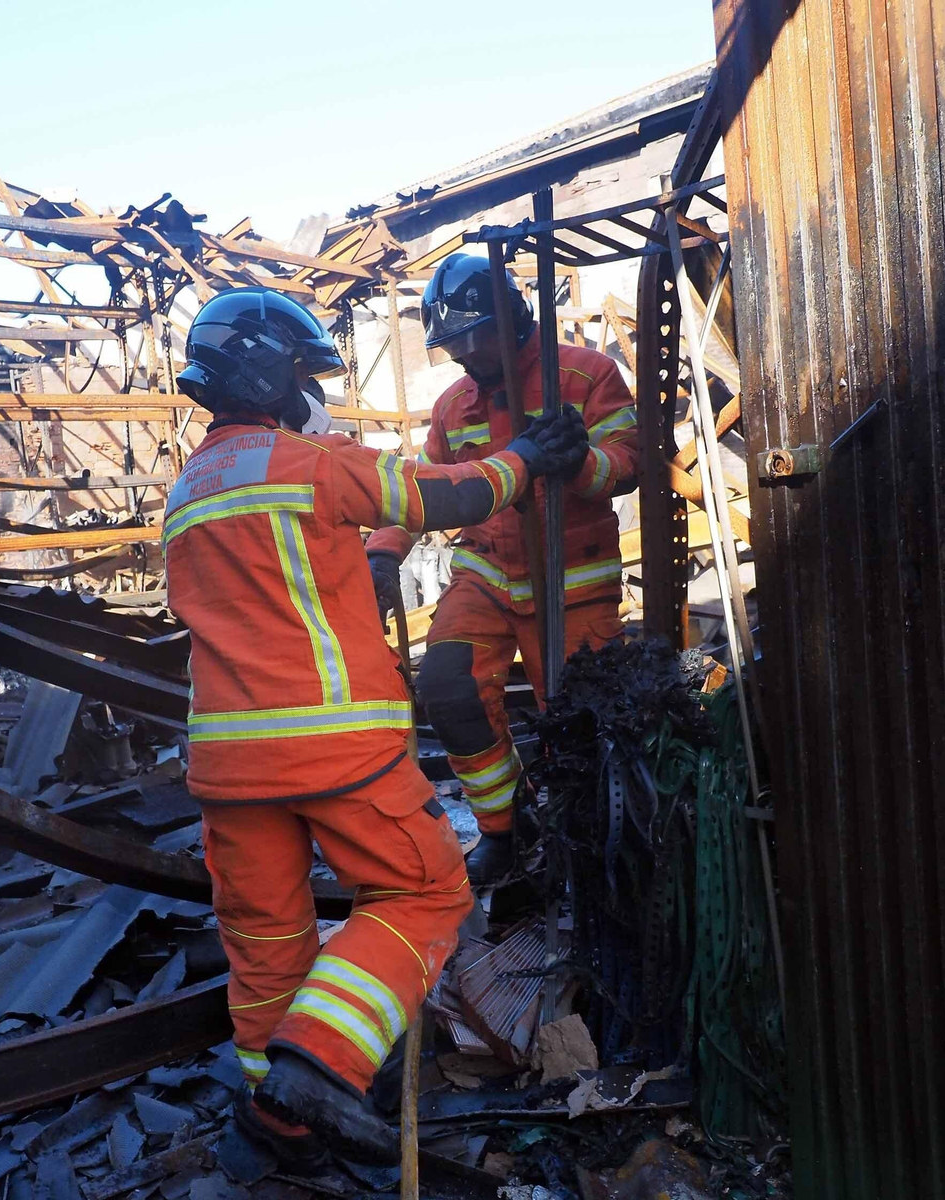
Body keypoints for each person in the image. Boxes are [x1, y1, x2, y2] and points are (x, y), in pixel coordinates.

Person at [163, 287, 588, 1168]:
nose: (313, 396)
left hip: (225, 768)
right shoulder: (307, 464)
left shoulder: (188, 490)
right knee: (425, 894)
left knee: (268, 938)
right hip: (330, 745)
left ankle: (276, 1124)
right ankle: (320, 1069)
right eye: (305, 377)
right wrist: (528, 455)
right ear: (273, 377)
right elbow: (449, 492)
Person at [366, 253, 638, 885]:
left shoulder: (587, 373)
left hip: (571, 583)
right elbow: (424, 494)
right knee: (449, 688)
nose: (460, 355)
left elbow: (631, 462)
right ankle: (507, 830)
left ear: (510, 317)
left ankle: (590, 842)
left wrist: (579, 464)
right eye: (449, 344)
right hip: (486, 575)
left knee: (577, 720)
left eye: (468, 339)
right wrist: (382, 553)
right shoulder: (453, 405)